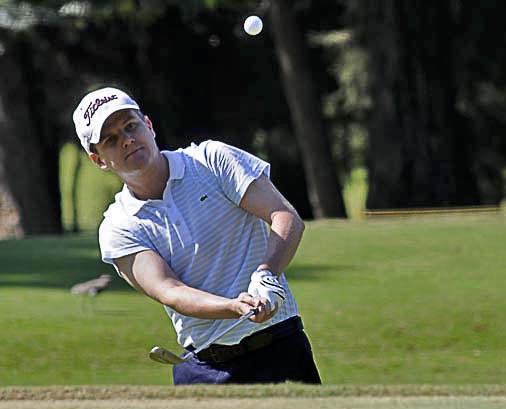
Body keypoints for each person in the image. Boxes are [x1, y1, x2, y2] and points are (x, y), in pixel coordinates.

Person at [72, 87, 321, 385]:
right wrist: (233, 307)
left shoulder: (211, 161)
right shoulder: (118, 227)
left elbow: (285, 216)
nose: (127, 140)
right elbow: (170, 290)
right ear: (98, 160)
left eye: (131, 126)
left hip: (279, 349)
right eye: (111, 140)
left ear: (148, 126)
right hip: (205, 369)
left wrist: (267, 275)